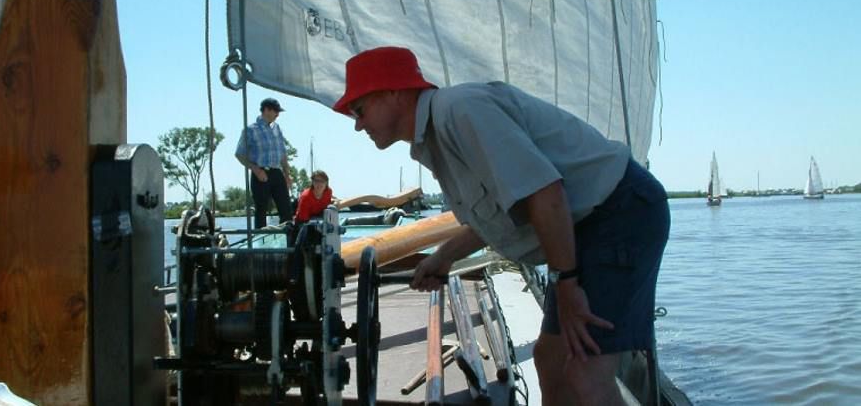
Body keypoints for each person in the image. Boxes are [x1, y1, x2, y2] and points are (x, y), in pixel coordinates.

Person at [332, 46, 670, 406]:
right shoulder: (434, 138)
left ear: (393, 92)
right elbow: (498, 212)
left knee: (584, 372)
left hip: (619, 213)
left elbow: (546, 193)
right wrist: (443, 257)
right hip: (582, 226)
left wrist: (567, 283)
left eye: (360, 109)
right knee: (551, 360)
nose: (358, 124)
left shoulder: (461, 112)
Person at [235, 97, 294, 228]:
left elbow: (282, 153)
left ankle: (288, 242)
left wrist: (287, 174)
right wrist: (255, 170)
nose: (278, 115)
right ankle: (260, 243)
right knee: (261, 210)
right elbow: (239, 154)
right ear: (266, 110)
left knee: (286, 209)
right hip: (260, 174)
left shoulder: (277, 128)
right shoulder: (250, 130)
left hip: (277, 172)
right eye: (276, 111)